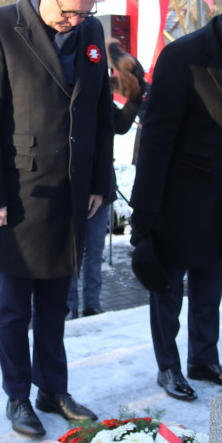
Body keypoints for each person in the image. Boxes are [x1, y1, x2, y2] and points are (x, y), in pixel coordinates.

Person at [0, 0, 113, 440]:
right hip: (18, 194)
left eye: (84, 12)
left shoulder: (90, 32)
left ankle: (54, 388)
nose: (73, 21)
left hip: (70, 193)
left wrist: (99, 182)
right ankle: (18, 395)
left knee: (56, 302)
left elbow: (100, 115)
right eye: (67, 10)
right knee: (13, 306)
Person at [129, 1, 222, 402]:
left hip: (221, 196)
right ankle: (169, 366)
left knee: (210, 286)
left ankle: (204, 359)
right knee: (168, 287)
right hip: (176, 197)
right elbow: (155, 142)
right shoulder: (182, 58)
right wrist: (143, 212)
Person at [66, 40, 147, 319]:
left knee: (93, 252)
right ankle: (68, 307)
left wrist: (136, 96)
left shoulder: (100, 97)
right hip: (69, 187)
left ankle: (92, 305)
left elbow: (121, 126)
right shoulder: (62, 94)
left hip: (101, 186)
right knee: (70, 252)